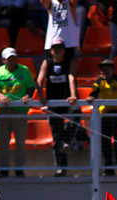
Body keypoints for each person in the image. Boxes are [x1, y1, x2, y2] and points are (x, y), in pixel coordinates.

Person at [36, 37, 78, 177]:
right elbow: (40, 81)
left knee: (77, 114)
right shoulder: (47, 63)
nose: (57, 50)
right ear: (51, 50)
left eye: (60, 48)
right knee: (56, 136)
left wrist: (73, 95)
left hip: (66, 101)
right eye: (55, 48)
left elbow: (71, 77)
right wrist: (42, 97)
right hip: (53, 104)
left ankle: (67, 139)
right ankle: (61, 168)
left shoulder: (69, 61)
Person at [0, 47, 35, 178]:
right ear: (4, 60)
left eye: (14, 58)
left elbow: (31, 87)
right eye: (9, 59)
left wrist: (27, 96)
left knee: (20, 142)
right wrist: (1, 97)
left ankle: (19, 169)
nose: (12, 61)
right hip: (4, 111)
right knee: (4, 142)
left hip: (21, 112)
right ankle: (4, 170)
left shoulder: (24, 70)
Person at [86, 59, 117, 176]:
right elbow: (94, 91)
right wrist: (91, 97)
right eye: (103, 69)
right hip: (106, 113)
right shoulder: (99, 81)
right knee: (105, 139)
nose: (105, 71)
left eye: (107, 68)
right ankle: (108, 167)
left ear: (113, 70)